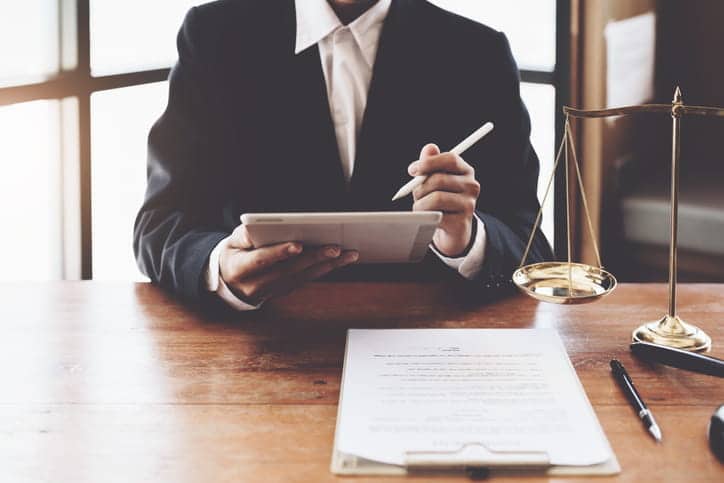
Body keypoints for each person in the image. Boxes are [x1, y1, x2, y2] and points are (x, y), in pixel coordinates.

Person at [134, 0, 553, 310]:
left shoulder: (477, 53)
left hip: (428, 345)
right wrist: (221, 269)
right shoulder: (215, 36)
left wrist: (466, 238)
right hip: (259, 348)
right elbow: (161, 223)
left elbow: (529, 244)